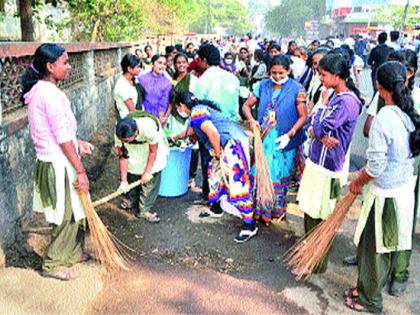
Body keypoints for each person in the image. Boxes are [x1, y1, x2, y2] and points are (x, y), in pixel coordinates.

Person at [344, 61, 419, 313]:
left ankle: (370, 300)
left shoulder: (384, 118)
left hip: (385, 196)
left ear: (378, 86)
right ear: (405, 82)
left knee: (375, 251)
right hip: (401, 191)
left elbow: (375, 167)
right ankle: (366, 289)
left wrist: (356, 182)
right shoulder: (407, 112)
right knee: (377, 248)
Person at [23, 43, 94, 280]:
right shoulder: (49, 94)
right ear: (50, 66)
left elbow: (61, 133)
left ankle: (72, 254)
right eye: (65, 62)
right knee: (65, 216)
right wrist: (81, 171)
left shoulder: (43, 91)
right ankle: (52, 264)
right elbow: (62, 138)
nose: (69, 66)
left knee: (74, 212)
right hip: (57, 164)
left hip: (58, 159)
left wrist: (78, 143)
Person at [296, 53, 363, 274]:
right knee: (310, 210)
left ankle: (316, 261)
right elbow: (313, 126)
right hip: (318, 162)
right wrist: (317, 130)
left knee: (321, 214)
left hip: (329, 168)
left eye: (323, 74)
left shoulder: (346, 102)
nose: (320, 78)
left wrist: (319, 118)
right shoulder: (335, 95)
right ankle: (310, 255)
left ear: (336, 75)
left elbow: (319, 125)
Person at [174, 92, 258, 243]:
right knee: (214, 175)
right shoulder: (200, 110)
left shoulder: (197, 112)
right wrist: (174, 137)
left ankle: (249, 225)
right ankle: (216, 208)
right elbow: (192, 131)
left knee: (237, 183)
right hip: (227, 143)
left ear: (181, 106)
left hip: (232, 145)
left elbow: (213, 132)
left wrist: (218, 154)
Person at [243, 55, 308, 224]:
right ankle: (259, 211)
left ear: (288, 71)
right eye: (274, 72)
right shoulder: (262, 85)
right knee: (260, 172)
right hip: (263, 138)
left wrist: (290, 134)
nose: (277, 76)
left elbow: (303, 116)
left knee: (280, 174)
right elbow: (246, 106)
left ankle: (276, 211)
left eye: (281, 73)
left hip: (285, 140)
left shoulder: (297, 88)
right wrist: (251, 120)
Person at [115, 111, 169, 223]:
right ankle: (131, 199)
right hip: (134, 151)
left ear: (135, 134)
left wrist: (148, 172)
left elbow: (153, 151)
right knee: (132, 174)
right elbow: (123, 156)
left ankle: (144, 210)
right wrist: (123, 181)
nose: (122, 142)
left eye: (125, 141)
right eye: (122, 140)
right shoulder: (119, 132)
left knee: (149, 181)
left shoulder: (149, 128)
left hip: (152, 149)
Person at [167, 53, 202, 192]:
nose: (181, 65)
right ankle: (177, 175)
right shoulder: (171, 80)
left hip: (189, 117)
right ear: (174, 64)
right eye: (178, 63)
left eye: (184, 62)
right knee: (176, 144)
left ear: (188, 64)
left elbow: (196, 100)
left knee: (193, 146)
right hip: (174, 117)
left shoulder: (193, 80)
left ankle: (191, 178)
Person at [113, 54, 142, 203]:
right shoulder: (122, 86)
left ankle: (130, 190)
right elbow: (132, 110)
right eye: (137, 66)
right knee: (126, 156)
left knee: (130, 156)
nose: (140, 68)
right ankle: (127, 191)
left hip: (131, 122)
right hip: (126, 125)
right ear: (129, 69)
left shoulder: (131, 81)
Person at [138, 55, 172, 127]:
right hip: (142, 116)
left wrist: (160, 122)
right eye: (160, 63)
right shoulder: (142, 79)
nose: (162, 66)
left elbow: (163, 103)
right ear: (152, 64)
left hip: (157, 117)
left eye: (164, 64)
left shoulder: (167, 82)